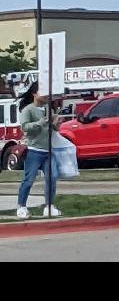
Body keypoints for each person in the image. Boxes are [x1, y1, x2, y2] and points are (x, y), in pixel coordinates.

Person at [16, 81, 61, 219]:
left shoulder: (49, 109)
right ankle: (21, 207)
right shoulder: (28, 110)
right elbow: (25, 128)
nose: (46, 95)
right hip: (34, 150)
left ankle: (49, 206)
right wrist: (40, 123)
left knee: (52, 178)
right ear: (35, 94)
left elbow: (54, 129)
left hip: (48, 150)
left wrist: (55, 124)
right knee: (29, 180)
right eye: (43, 92)